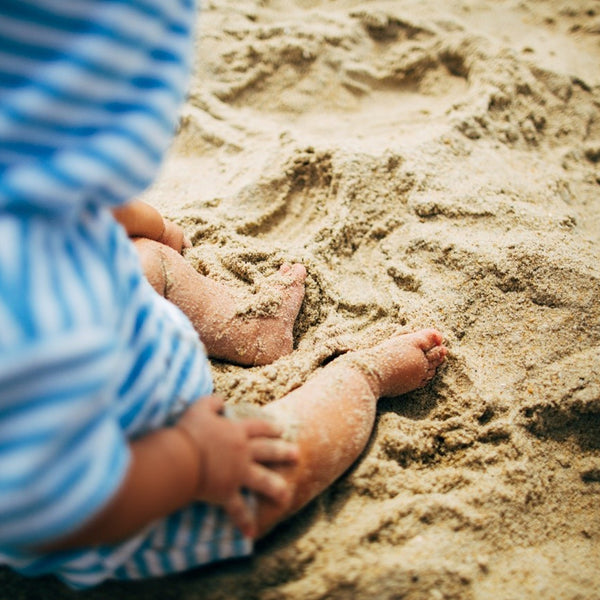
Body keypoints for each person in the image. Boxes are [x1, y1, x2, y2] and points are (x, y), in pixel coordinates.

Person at [0, 0, 447, 590]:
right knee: (273, 473)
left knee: (144, 257)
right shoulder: (29, 326)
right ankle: (361, 379)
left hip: (120, 349)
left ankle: (244, 326)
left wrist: (146, 224)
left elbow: (85, 205)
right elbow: (49, 510)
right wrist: (193, 459)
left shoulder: (30, 190)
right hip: (129, 493)